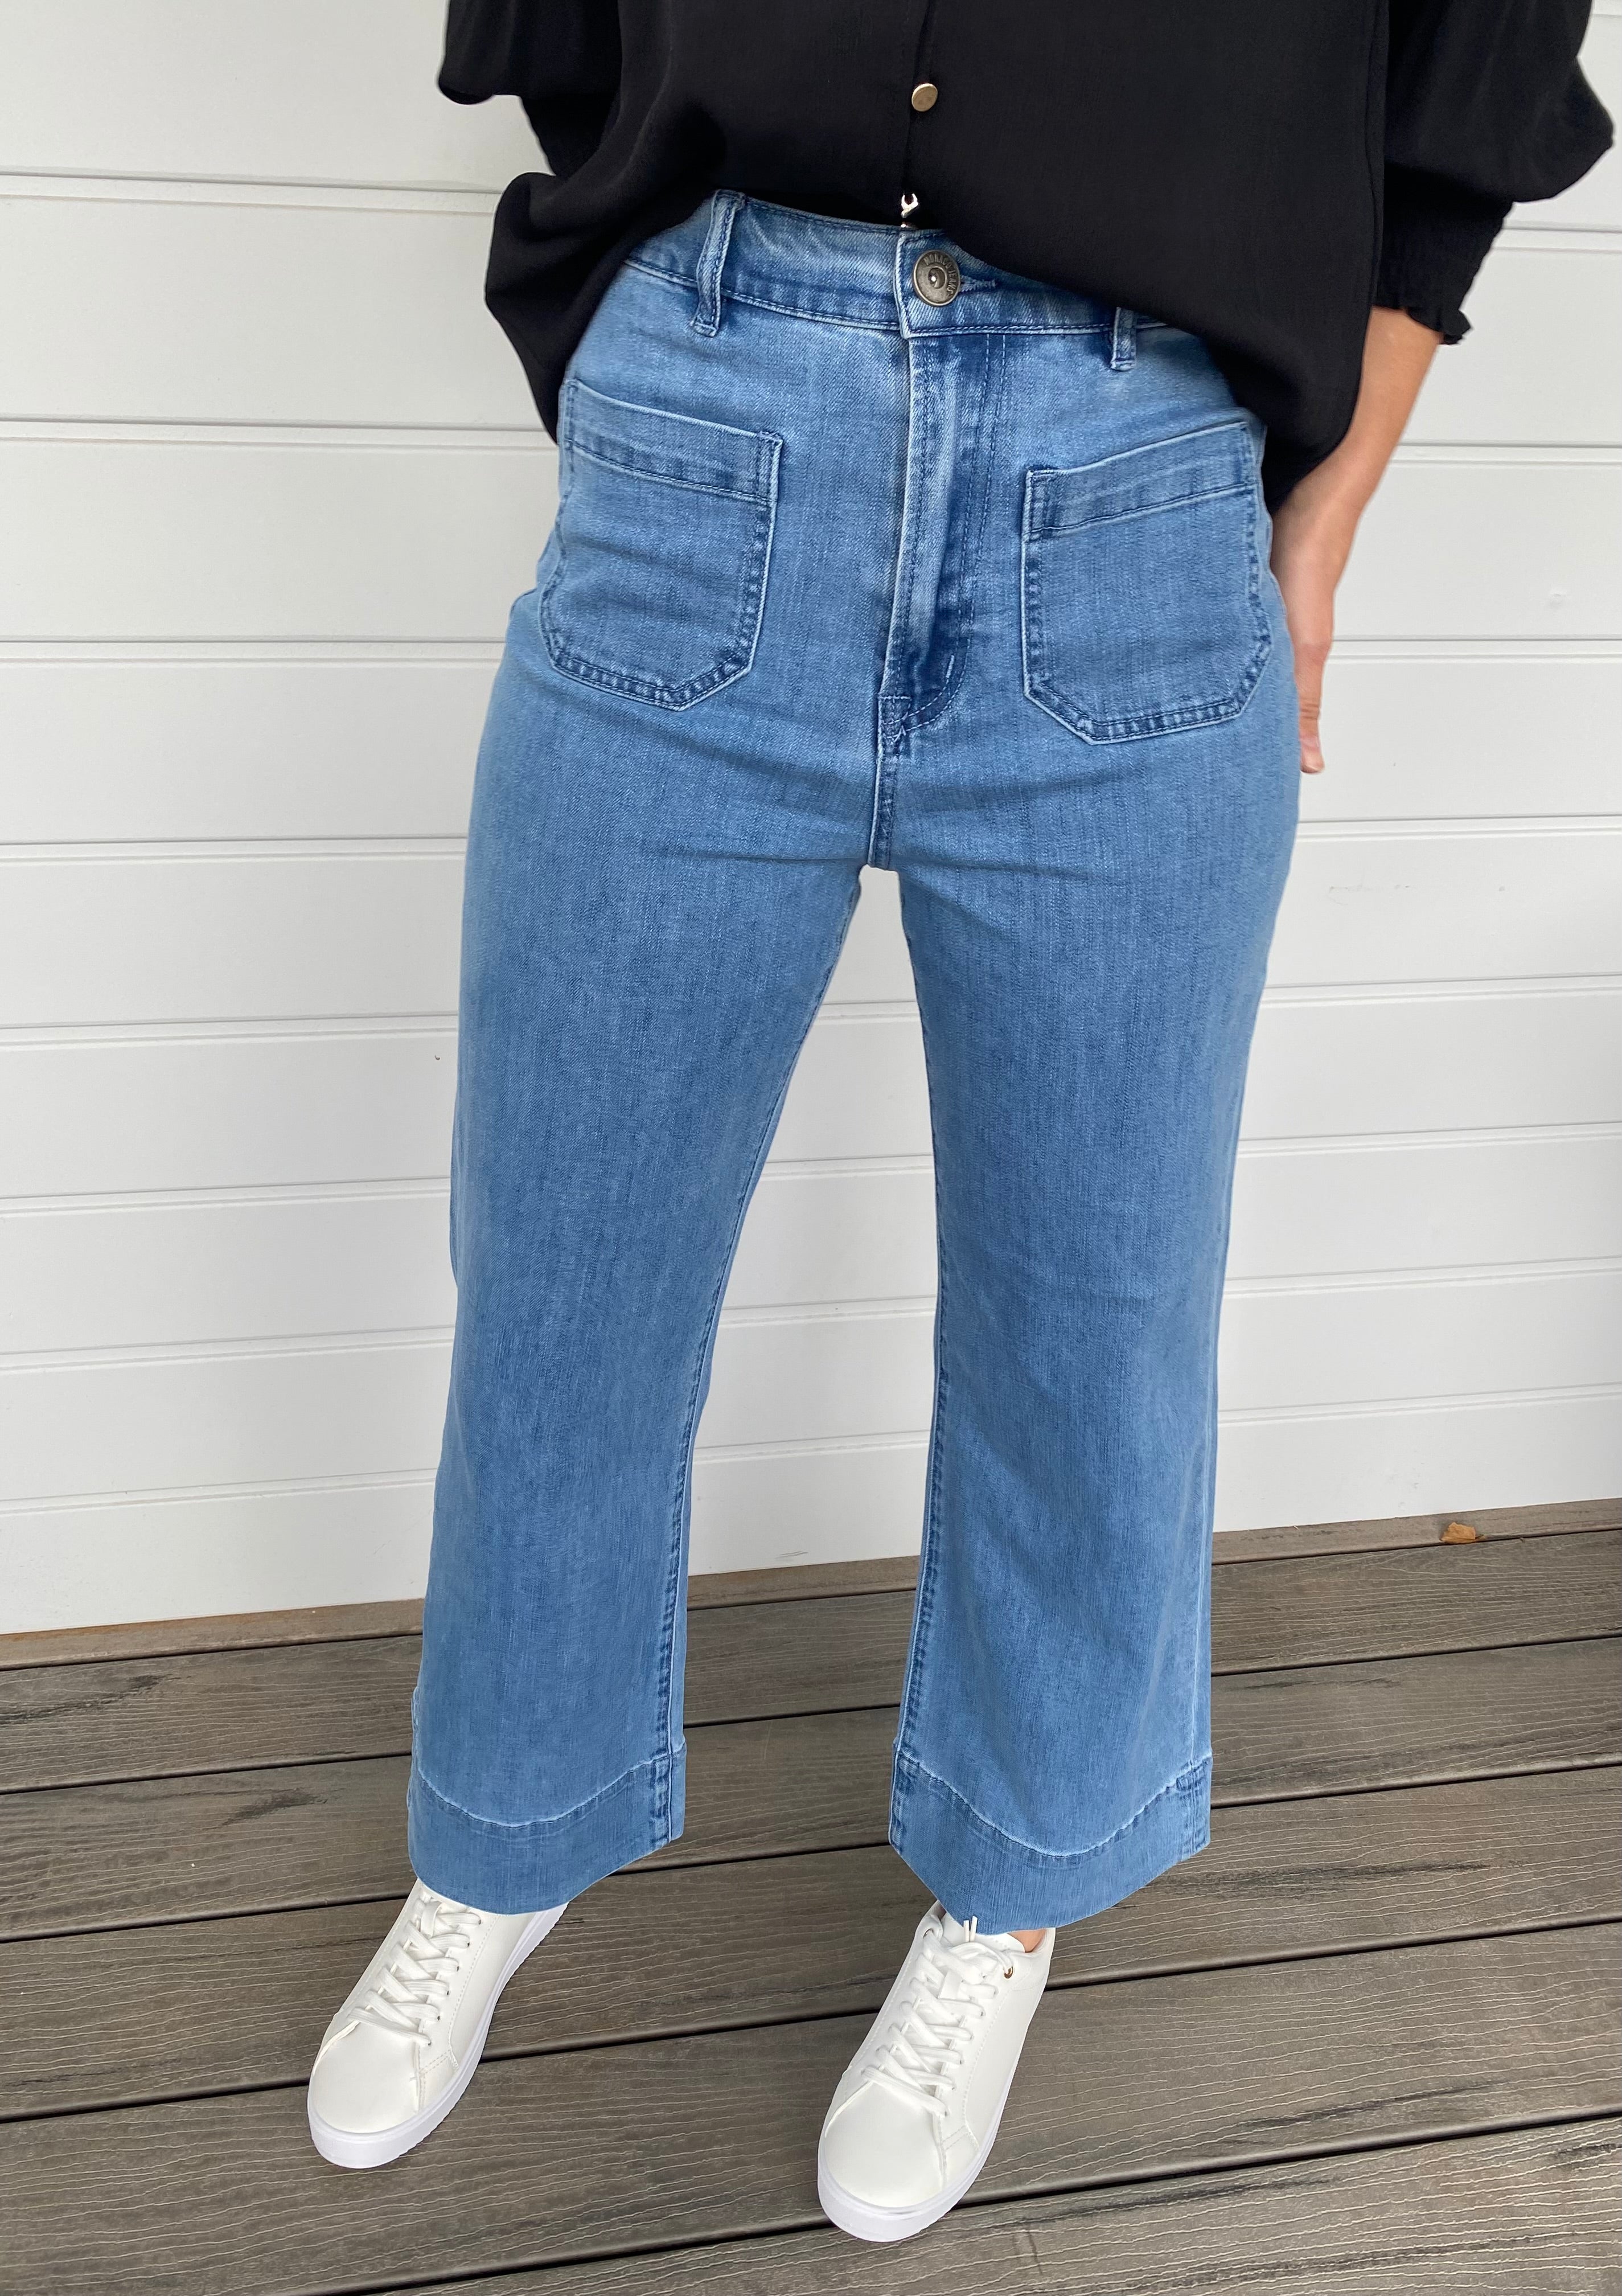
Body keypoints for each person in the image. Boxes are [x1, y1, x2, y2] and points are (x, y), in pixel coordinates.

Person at [305, 0, 1611, 2243]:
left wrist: (1331, 503)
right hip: (710, 414)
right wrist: (637, 321)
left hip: (1135, 474)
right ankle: (496, 1839)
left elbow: (1481, 33)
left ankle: (1007, 1894)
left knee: (1086, 1315)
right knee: (562, 1263)